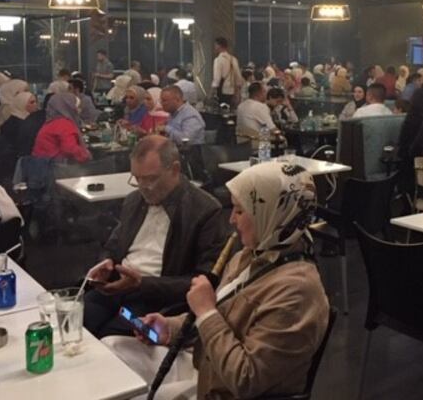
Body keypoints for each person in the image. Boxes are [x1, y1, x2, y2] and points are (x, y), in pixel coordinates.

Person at [102, 161, 329, 400]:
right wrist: (170, 327)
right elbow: (220, 316)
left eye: (240, 211)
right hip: (207, 369)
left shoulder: (297, 291)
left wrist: (206, 312)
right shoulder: (250, 256)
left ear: (272, 213)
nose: (231, 219)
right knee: (112, 346)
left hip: (224, 391)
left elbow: (245, 380)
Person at [84, 136, 224, 338]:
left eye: (151, 178)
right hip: (117, 288)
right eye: (137, 178)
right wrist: (105, 263)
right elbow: (114, 246)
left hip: (157, 300)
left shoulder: (204, 210)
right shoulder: (134, 201)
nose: (143, 186)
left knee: (112, 338)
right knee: (77, 320)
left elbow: (205, 280)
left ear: (175, 170)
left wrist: (143, 284)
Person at [31, 92, 91, 163]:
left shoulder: (51, 123)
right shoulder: (64, 124)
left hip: (42, 165)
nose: (79, 110)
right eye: (76, 106)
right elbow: (69, 148)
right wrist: (86, 155)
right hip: (54, 167)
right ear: (68, 107)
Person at [0, 91, 38, 156]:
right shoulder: (17, 123)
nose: (35, 105)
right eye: (32, 102)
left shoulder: (26, 119)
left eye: (36, 102)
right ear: (21, 104)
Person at [212, 37, 243, 106]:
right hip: (232, 91)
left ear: (219, 46)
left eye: (215, 45)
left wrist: (213, 89)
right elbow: (238, 77)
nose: (215, 47)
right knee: (231, 111)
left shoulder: (218, 60)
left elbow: (217, 78)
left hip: (222, 90)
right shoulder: (233, 59)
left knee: (222, 111)